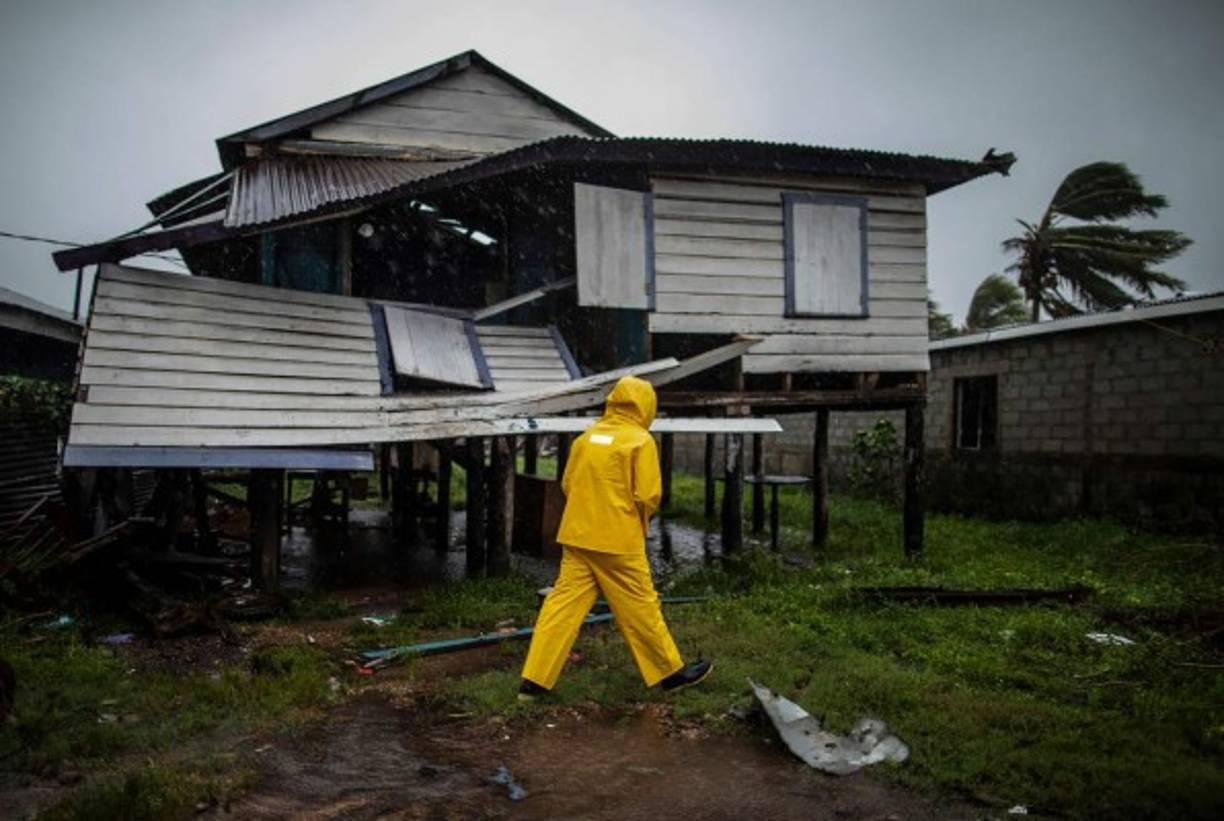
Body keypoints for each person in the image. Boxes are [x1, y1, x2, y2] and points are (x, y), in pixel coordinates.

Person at [518, 375, 712, 701]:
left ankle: (532, 683)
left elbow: (568, 484)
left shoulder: (586, 439)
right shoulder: (640, 441)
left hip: (578, 538)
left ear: (613, 401)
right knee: (641, 608)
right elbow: (647, 495)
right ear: (645, 406)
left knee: (560, 609)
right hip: (618, 542)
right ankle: (670, 674)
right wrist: (635, 523)